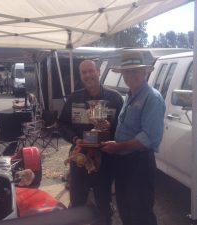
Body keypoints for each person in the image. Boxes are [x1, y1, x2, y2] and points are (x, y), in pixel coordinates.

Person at [101, 50, 166, 225]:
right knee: (125, 209)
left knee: (141, 213)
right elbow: (126, 127)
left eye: (135, 71)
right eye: (127, 72)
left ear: (145, 72)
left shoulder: (152, 98)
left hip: (139, 164)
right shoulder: (128, 96)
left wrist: (118, 147)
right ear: (122, 75)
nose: (131, 75)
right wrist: (109, 128)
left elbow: (149, 137)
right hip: (124, 163)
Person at [58, 59, 123, 225]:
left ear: (98, 72)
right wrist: (75, 138)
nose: (88, 75)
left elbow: (123, 128)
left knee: (103, 202)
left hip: (105, 159)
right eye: (84, 72)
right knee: (77, 201)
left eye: (91, 71)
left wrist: (110, 127)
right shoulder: (74, 98)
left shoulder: (114, 98)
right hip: (80, 157)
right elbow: (62, 124)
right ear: (80, 75)